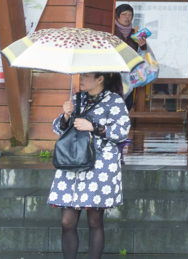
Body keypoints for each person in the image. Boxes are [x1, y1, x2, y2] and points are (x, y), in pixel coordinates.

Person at [49, 72, 130, 259]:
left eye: (86, 76)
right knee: (67, 221)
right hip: (72, 164)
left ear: (100, 79)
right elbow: (57, 128)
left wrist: (93, 126)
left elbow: (122, 131)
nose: (81, 79)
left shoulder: (115, 101)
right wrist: (66, 115)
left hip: (99, 166)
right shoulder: (77, 99)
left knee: (95, 221)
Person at [112, 4, 146, 110]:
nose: (127, 17)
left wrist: (143, 45)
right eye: (124, 14)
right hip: (113, 73)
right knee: (113, 101)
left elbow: (142, 54)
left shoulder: (135, 33)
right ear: (117, 16)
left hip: (129, 73)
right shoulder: (111, 31)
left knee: (127, 103)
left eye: (130, 15)